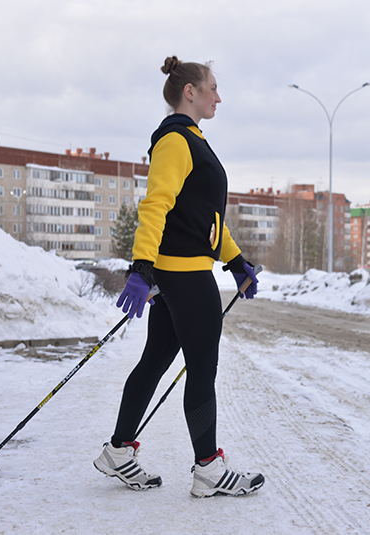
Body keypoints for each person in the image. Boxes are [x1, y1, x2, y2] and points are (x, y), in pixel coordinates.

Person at [93, 56, 264, 497]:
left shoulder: (192, 140)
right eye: (212, 88)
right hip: (184, 276)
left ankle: (118, 452)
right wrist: (140, 267)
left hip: (180, 273)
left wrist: (235, 261)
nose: (218, 96)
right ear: (190, 91)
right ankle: (208, 468)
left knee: (155, 360)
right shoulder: (176, 141)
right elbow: (156, 206)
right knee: (203, 368)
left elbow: (203, 220)